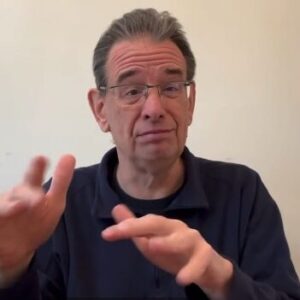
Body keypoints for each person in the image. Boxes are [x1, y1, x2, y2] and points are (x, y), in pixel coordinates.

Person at [0, 8, 299, 300]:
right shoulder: (60, 206)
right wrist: (11, 272)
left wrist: (219, 277)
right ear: (100, 109)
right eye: (132, 91)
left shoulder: (243, 193)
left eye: (171, 87)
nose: (155, 109)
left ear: (189, 101)